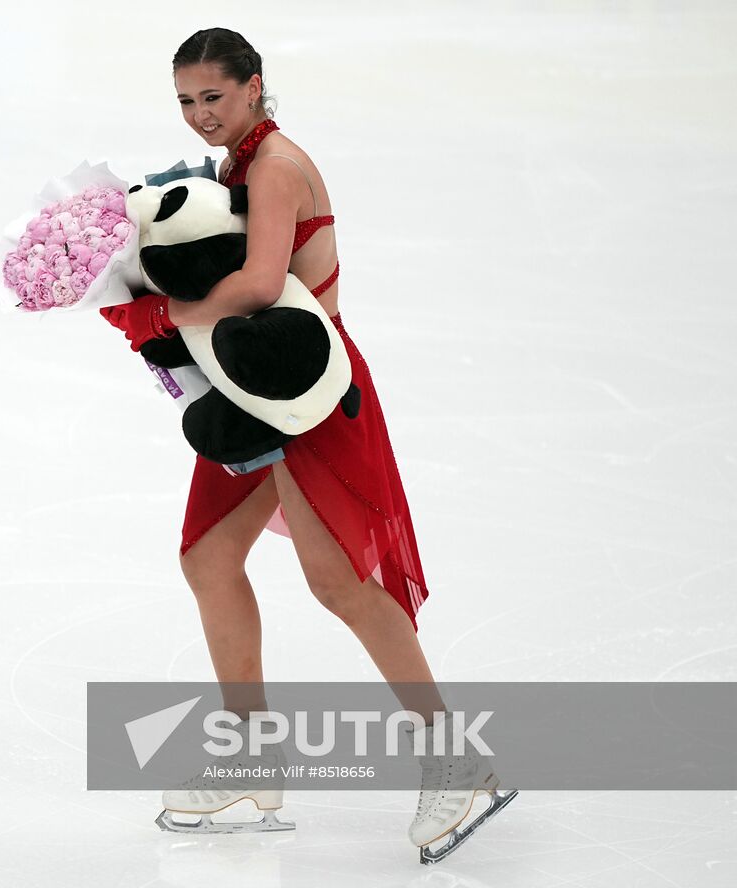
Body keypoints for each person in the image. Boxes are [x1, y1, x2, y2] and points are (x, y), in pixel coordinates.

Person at [100, 27, 515, 863]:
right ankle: (254, 757)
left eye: (213, 97)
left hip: (306, 389)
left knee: (341, 583)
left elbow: (257, 285)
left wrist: (150, 316)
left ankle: (457, 760)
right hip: (252, 388)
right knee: (209, 558)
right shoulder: (234, 168)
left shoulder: (276, 166)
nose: (199, 115)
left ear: (254, 87)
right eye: (185, 101)